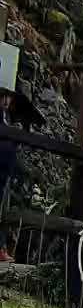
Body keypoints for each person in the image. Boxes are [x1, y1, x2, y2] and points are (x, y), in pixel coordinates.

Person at [0, 87, 15, 263]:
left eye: (8, 98)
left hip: (5, 173)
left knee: (3, 211)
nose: (6, 101)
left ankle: (1, 248)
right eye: (3, 97)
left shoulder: (7, 118)